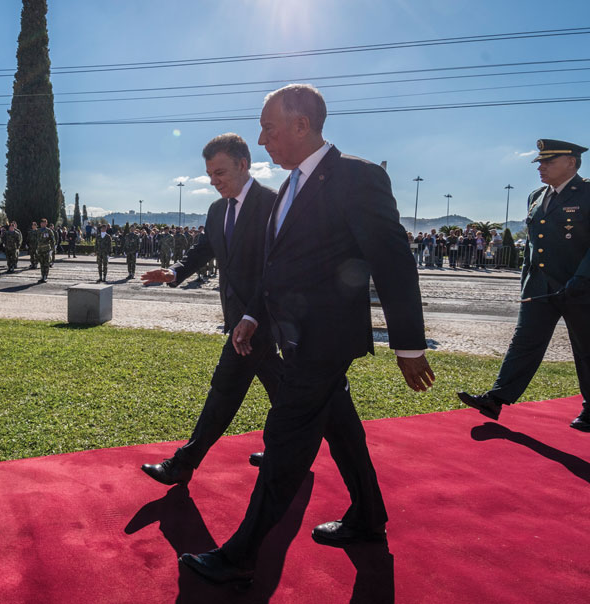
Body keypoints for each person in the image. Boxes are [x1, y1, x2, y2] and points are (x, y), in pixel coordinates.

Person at [179, 85, 432, 586]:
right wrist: (253, 316)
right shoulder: (290, 187)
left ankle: (242, 554)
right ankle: (368, 516)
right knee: (342, 429)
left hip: (325, 340)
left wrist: (407, 344)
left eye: (269, 127)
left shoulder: (357, 177)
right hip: (293, 338)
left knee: (284, 440)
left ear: (301, 124)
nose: (262, 137)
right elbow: (278, 267)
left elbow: (393, 262)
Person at [139, 133, 283, 489]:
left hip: (261, 317)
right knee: (284, 388)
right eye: (209, 174)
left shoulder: (273, 204)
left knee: (224, 389)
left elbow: (276, 268)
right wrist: (175, 272)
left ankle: (183, 463)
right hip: (236, 317)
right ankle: (290, 449)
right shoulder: (218, 209)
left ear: (243, 165)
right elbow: (205, 248)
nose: (213, 181)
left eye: (219, 173)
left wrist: (252, 316)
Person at [458, 139, 590, 431]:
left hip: (580, 288)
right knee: (524, 342)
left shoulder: (588, 192)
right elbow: (533, 245)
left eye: (548, 162)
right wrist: (526, 282)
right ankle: (496, 399)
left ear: (571, 162)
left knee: (585, 348)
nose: (540, 168)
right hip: (540, 287)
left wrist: (583, 277)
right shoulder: (536, 196)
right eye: (540, 162)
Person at [34, 218, 54, 283]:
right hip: (40, 250)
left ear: (46, 223)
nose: (43, 224)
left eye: (44, 223)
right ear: (40, 224)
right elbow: (35, 240)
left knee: (46, 263)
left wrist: (52, 249)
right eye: (42, 223)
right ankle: (43, 276)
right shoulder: (38, 231)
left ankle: (45, 276)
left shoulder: (49, 231)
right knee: (42, 264)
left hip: (47, 250)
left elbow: (53, 240)